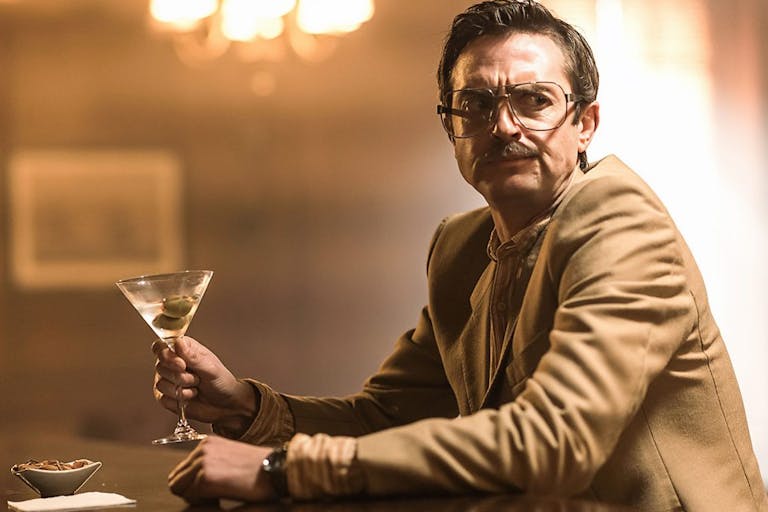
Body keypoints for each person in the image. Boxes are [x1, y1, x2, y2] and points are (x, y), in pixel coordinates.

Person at [153, 1, 768, 509]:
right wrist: (248, 407)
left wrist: (282, 468)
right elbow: (387, 419)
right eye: (475, 105)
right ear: (451, 127)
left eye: (534, 100)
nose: (504, 126)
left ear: (585, 122)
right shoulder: (461, 247)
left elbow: (555, 441)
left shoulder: (620, 221)